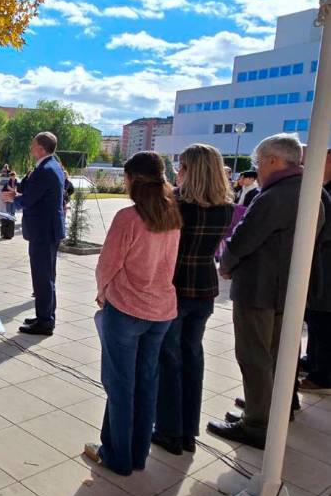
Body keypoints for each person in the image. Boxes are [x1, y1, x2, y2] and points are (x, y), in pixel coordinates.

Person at [208, 133, 321, 449]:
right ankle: (278, 406)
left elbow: (243, 239)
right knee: (282, 352)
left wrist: (226, 264)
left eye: (258, 163)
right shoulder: (311, 192)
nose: (256, 169)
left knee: (255, 355)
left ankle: (257, 423)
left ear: (274, 160)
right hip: (290, 289)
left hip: (260, 291)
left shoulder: (273, 196)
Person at [84, 151, 181, 476]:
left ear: (133, 179)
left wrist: (102, 293)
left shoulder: (129, 218)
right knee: (146, 382)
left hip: (127, 310)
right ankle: (137, 455)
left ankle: (116, 455)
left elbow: (108, 263)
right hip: (161, 311)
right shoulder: (171, 214)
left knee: (120, 384)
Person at [152, 144, 234, 456]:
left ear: (191, 170)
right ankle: (188, 431)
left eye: (181, 166)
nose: (177, 171)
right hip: (204, 288)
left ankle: (170, 431)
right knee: (193, 356)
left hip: (176, 288)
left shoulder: (177, 206)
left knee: (170, 359)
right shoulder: (225, 207)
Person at [9, 132, 66, 336]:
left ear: (41, 148)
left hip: (43, 231)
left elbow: (30, 199)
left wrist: (13, 200)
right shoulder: (52, 166)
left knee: (42, 277)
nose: (31, 147)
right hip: (49, 229)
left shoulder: (45, 169)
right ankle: (45, 315)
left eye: (33, 144)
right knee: (47, 276)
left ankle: (45, 322)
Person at [302, 148, 331, 394]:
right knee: (314, 320)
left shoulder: (324, 193)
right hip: (319, 268)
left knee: (323, 323)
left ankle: (323, 376)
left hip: (325, 269)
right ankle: (312, 361)